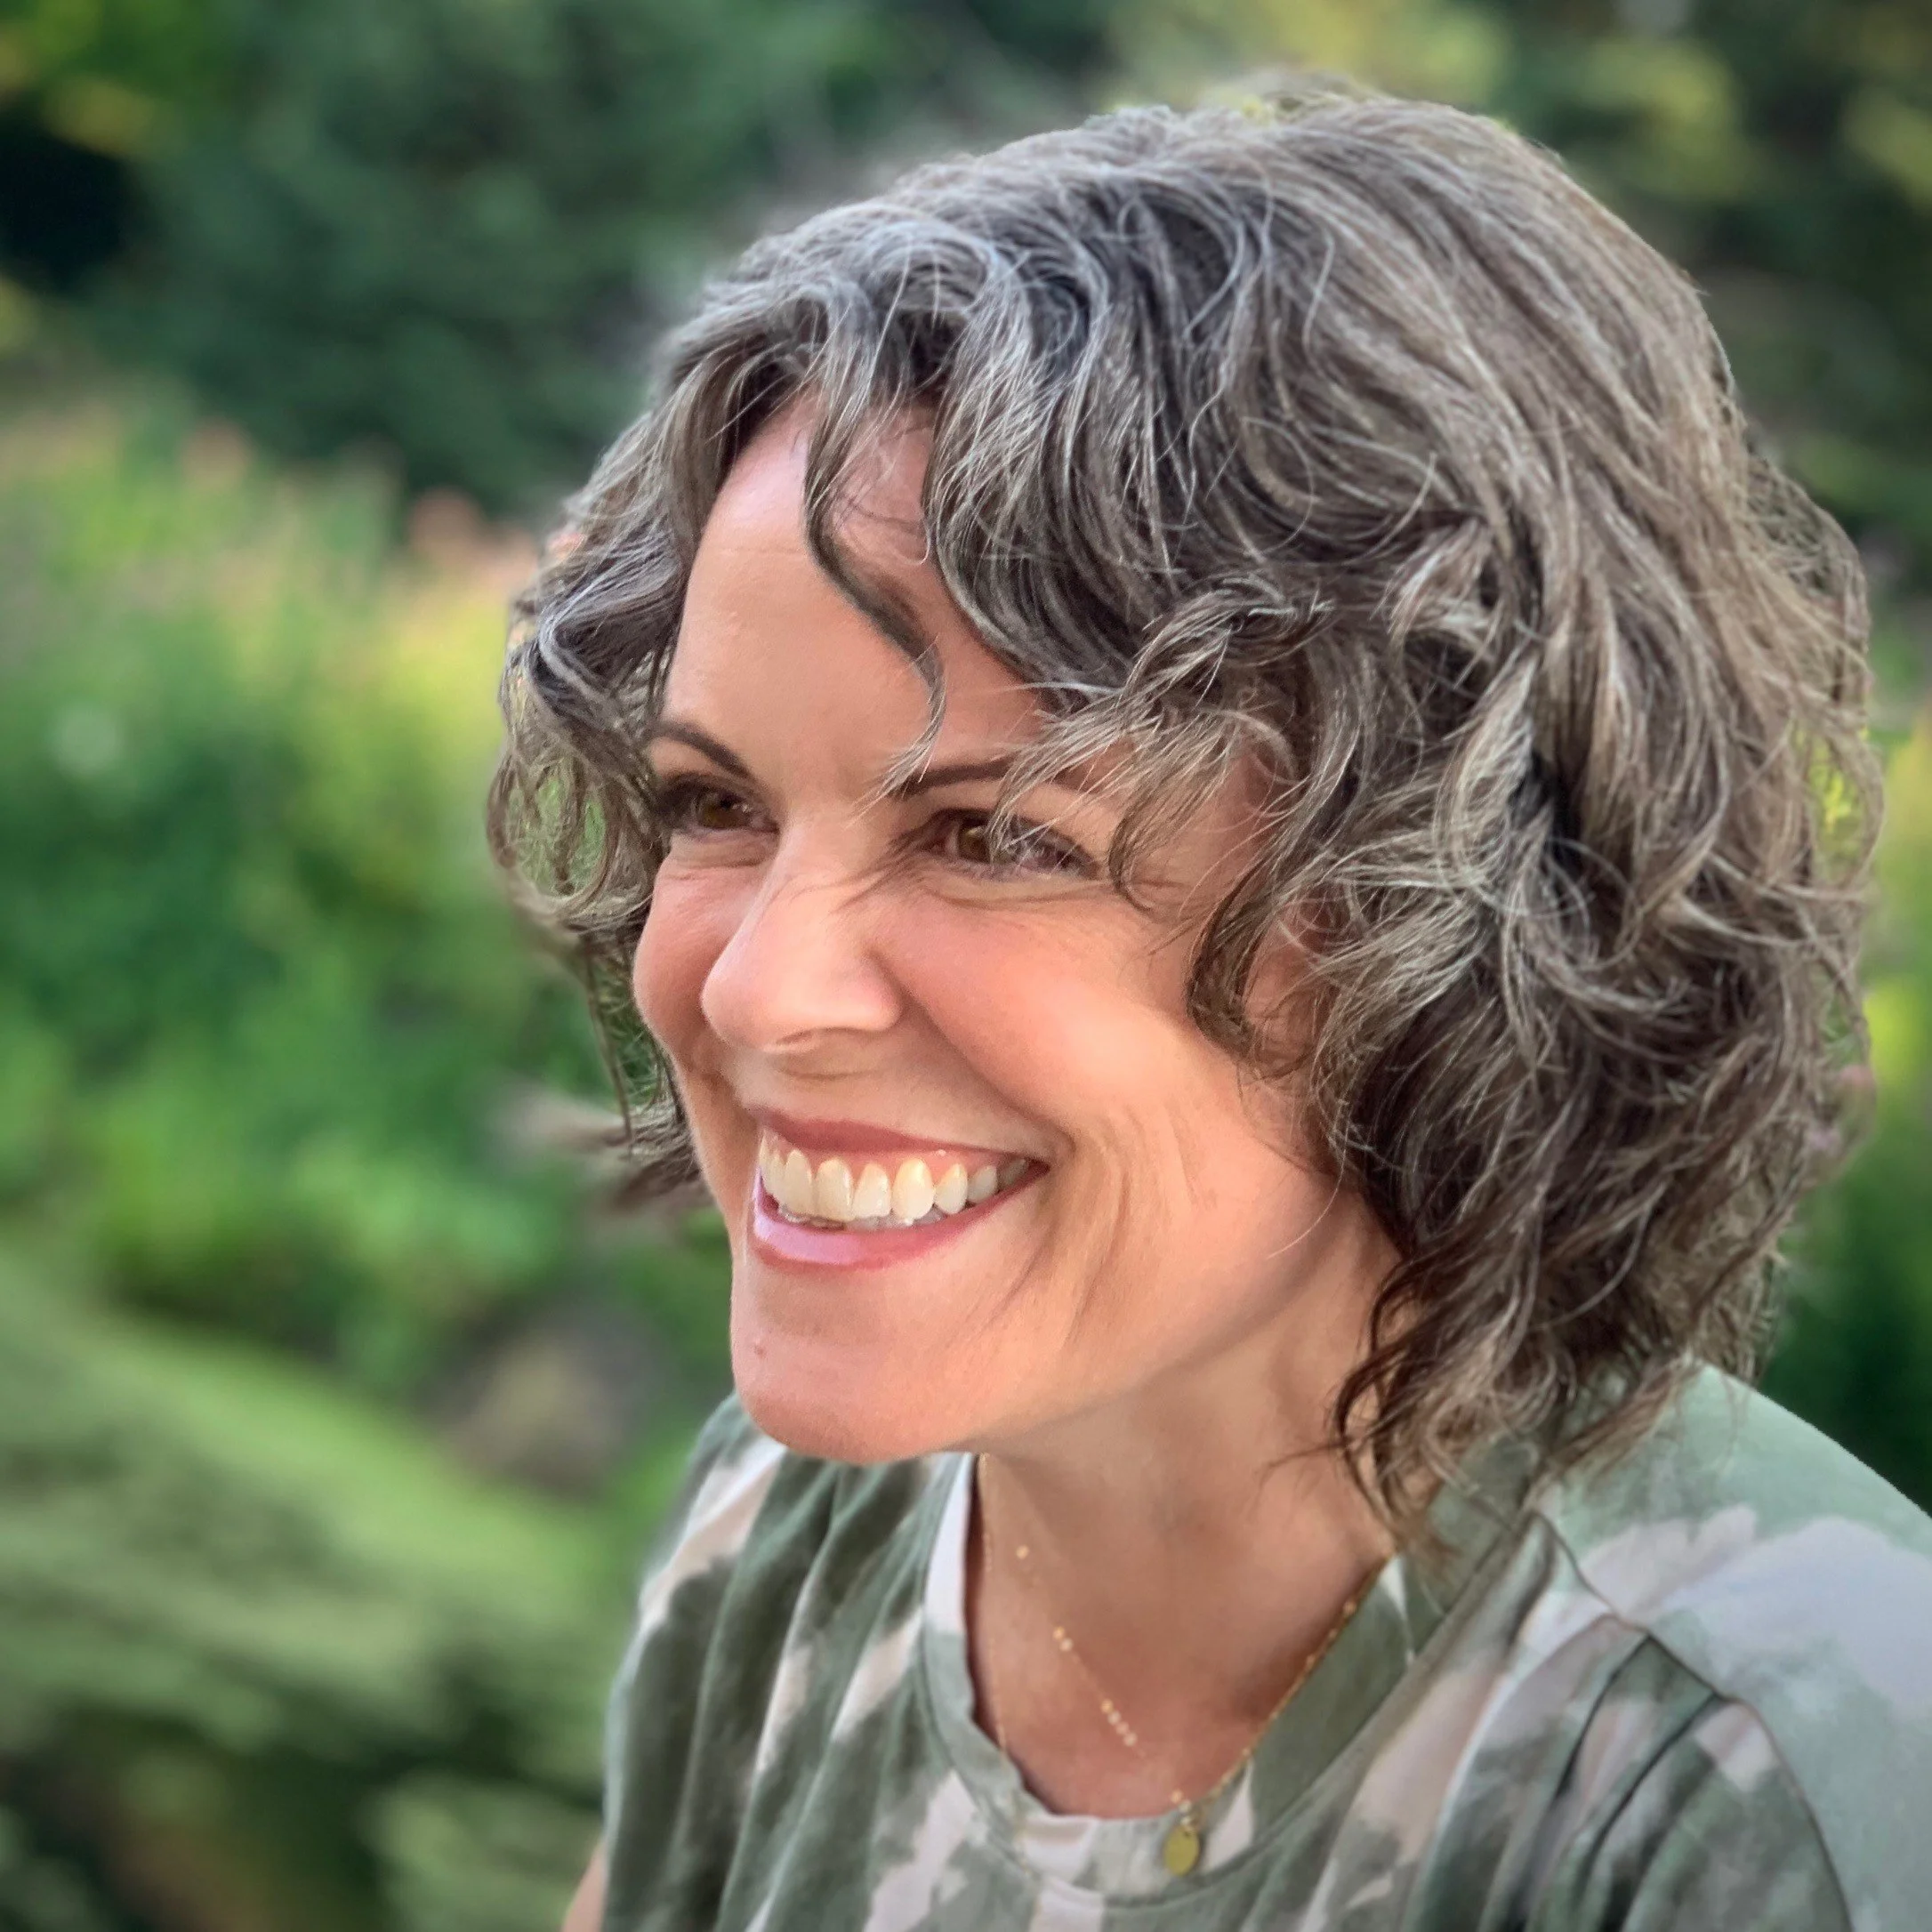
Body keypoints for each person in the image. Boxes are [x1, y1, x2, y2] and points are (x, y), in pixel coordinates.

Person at [490, 89, 1932, 1932]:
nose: (763, 987)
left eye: (995, 835)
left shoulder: (1788, 1787)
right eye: (715, 804)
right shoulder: (779, 1541)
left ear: (1467, 907)